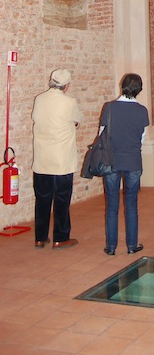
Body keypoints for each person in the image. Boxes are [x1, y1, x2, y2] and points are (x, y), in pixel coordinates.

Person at [32, 68, 82, 249]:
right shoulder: (69, 102)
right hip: (62, 159)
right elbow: (77, 119)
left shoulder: (39, 99)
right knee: (62, 199)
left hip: (42, 158)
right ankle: (60, 237)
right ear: (67, 85)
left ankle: (40, 236)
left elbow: (36, 118)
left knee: (42, 198)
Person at [101, 73, 149, 255]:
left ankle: (111, 246)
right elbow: (142, 138)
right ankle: (131, 245)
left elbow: (102, 134)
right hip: (133, 160)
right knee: (131, 203)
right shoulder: (142, 111)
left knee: (111, 204)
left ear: (122, 86)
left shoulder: (109, 108)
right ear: (139, 89)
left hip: (112, 160)